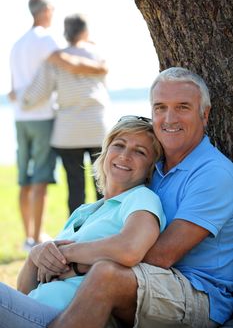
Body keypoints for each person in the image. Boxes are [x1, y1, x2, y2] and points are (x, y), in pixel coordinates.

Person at [47, 67, 232, 328]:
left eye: (182, 107)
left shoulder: (214, 173)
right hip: (149, 279)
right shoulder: (153, 168)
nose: (169, 118)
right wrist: (54, 253)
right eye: (160, 108)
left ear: (205, 114)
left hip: (199, 293)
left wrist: (77, 263)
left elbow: (162, 255)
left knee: (105, 276)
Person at [0, 117, 166, 328]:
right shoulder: (84, 211)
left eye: (139, 151)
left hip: (65, 317)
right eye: (119, 145)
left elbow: (130, 248)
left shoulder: (141, 198)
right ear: (105, 153)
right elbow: (26, 292)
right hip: (35, 311)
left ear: (151, 168)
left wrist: (66, 254)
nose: (125, 155)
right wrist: (36, 255)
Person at [21, 13, 110, 215]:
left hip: (68, 132)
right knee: (102, 184)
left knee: (75, 186)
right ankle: (103, 230)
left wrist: (21, 100)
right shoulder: (97, 54)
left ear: (65, 33)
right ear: (85, 31)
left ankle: (76, 233)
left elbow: (38, 93)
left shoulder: (56, 58)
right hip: (97, 127)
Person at [9, 0, 59, 250]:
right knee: (40, 177)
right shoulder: (46, 39)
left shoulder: (17, 44)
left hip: (20, 117)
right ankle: (37, 237)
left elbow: (13, 87)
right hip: (42, 117)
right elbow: (62, 65)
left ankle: (28, 236)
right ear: (46, 10)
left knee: (24, 179)